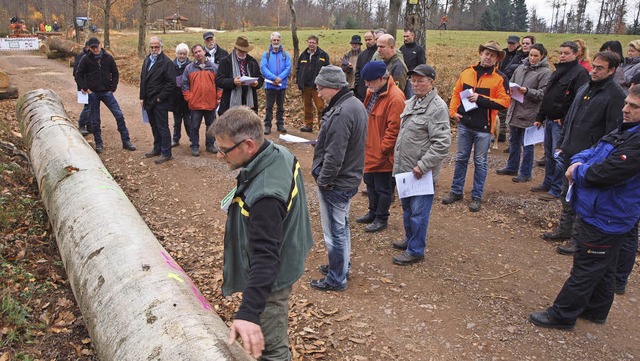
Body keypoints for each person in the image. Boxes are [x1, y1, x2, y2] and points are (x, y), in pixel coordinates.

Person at [529, 84, 640, 331]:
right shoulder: (625, 130)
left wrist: (578, 170)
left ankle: (562, 314)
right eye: (626, 104)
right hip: (602, 211)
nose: (625, 109)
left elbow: (607, 172)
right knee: (605, 263)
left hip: (608, 214)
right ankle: (597, 309)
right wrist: (578, 160)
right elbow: (594, 149)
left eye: (633, 106)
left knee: (587, 264)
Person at [210, 106, 313, 360]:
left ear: (248, 145)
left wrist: (248, 313)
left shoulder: (266, 195)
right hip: (286, 254)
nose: (219, 156)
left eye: (224, 150)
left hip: (272, 279)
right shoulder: (279, 153)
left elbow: (266, 256)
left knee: (271, 348)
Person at [551, 51, 627, 255]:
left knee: (583, 199)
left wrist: (598, 157)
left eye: (600, 68)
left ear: (612, 70)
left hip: (591, 158)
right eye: (593, 66)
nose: (594, 70)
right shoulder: (585, 88)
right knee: (566, 193)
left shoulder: (616, 95)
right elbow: (571, 119)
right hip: (571, 151)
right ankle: (564, 230)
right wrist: (562, 143)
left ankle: (578, 240)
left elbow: (614, 131)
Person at [309, 66, 367, 292]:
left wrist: (324, 180)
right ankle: (341, 266)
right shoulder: (354, 104)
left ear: (333, 87)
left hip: (337, 183)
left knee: (334, 232)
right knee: (341, 227)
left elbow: (336, 155)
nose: (319, 92)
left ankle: (336, 278)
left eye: (320, 88)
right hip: (348, 178)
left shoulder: (342, 112)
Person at [391, 64, 451, 265]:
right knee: (408, 209)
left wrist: (423, 165)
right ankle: (410, 240)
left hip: (420, 173)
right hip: (406, 170)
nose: (415, 84)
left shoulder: (437, 108)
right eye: (413, 80)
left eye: (420, 80)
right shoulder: (412, 102)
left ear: (431, 83)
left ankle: (416, 250)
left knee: (419, 213)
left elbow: (442, 143)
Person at [442, 41, 511, 212]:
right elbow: (456, 93)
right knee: (461, 159)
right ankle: (456, 191)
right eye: (486, 53)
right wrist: (453, 112)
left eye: (492, 55)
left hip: (484, 128)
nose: (488, 57)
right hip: (465, 124)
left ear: (497, 59)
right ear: (481, 54)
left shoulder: (500, 78)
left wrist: (480, 99)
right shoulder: (467, 73)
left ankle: (477, 196)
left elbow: (505, 103)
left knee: (480, 162)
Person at [531, 41, 590, 204]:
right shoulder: (557, 72)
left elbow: (579, 102)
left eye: (566, 53)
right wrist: (539, 117)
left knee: (558, 157)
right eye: (561, 52)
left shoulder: (580, 74)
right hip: (549, 120)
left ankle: (556, 189)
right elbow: (547, 96)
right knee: (549, 155)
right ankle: (547, 183)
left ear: (576, 54)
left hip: (561, 124)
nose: (562, 56)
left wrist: (564, 118)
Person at [355, 61, 404, 233]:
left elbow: (394, 129)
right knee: (370, 183)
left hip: (383, 153)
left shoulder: (396, 98)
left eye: (370, 81)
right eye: (366, 81)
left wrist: (383, 150)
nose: (367, 85)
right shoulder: (372, 91)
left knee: (383, 187)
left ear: (382, 78)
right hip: (369, 148)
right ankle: (372, 212)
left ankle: (382, 217)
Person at [496, 43, 551, 183]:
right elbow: (511, 83)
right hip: (515, 109)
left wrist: (527, 91)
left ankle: (526, 173)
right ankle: (512, 167)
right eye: (531, 55)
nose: (532, 58)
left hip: (530, 112)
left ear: (542, 56)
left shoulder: (545, 73)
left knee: (527, 144)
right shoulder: (520, 68)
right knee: (514, 141)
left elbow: (543, 94)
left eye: (536, 56)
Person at [75, 37, 137, 154]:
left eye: (96, 47)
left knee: (118, 115)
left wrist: (112, 88)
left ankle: (126, 141)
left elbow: (115, 73)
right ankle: (99, 143)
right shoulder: (85, 59)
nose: (95, 49)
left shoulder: (108, 58)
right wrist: (85, 88)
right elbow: (78, 75)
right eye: (92, 47)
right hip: (93, 93)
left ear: (100, 45)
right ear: (89, 48)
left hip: (106, 92)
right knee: (95, 120)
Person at [140, 36, 176, 164]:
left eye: (157, 47)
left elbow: (171, 83)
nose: (154, 49)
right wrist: (142, 97)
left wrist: (161, 97)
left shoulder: (166, 62)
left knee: (162, 127)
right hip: (148, 100)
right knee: (154, 125)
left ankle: (166, 152)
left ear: (161, 47)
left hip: (160, 101)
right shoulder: (147, 60)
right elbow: (143, 79)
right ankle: (157, 148)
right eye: (152, 47)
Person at [182, 44, 218, 157]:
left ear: (204, 51)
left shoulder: (213, 67)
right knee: (194, 126)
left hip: (210, 103)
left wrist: (219, 97)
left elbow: (220, 84)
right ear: (193, 55)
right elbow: (184, 84)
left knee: (211, 125)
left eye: (199, 51)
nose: (198, 54)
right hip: (195, 103)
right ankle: (194, 146)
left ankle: (210, 145)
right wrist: (188, 97)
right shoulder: (189, 68)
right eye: (195, 52)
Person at [216, 36, 264, 116]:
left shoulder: (252, 61)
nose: (244, 53)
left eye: (246, 51)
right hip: (230, 103)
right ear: (235, 48)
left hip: (249, 103)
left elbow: (260, 77)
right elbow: (218, 80)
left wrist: (256, 83)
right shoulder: (226, 61)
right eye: (241, 51)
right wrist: (233, 81)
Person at [296, 35, 330, 132]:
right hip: (305, 86)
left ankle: (322, 127)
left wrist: (324, 84)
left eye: (313, 43)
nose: (311, 44)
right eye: (309, 42)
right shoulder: (303, 55)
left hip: (318, 86)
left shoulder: (323, 55)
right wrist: (299, 81)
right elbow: (298, 69)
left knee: (320, 107)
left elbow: (327, 70)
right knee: (307, 106)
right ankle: (308, 125)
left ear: (317, 44)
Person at [260, 32, 292, 135]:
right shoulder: (266, 55)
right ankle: (267, 125)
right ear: (271, 41)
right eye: (274, 40)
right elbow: (263, 68)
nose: (276, 42)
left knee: (280, 107)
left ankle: (280, 124)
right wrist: (274, 78)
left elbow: (288, 68)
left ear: (280, 41)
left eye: (277, 40)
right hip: (270, 85)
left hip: (282, 85)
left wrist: (280, 78)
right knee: (269, 107)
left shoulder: (285, 55)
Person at [171, 43, 191, 148]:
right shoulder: (171, 65)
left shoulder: (191, 65)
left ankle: (192, 139)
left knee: (188, 121)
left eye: (184, 54)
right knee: (177, 121)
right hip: (176, 98)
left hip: (187, 98)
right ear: (177, 54)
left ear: (187, 54)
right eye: (180, 54)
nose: (182, 56)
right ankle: (175, 139)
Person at [73, 40, 91, 136]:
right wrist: (83, 86)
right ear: (87, 47)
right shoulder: (81, 57)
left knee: (91, 106)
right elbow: (76, 74)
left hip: (92, 87)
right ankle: (82, 124)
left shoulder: (93, 57)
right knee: (87, 106)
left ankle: (90, 125)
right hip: (83, 86)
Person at [354, 31, 378, 101]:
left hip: (374, 91)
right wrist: (357, 87)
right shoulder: (361, 55)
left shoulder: (379, 54)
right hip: (361, 92)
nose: (367, 42)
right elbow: (357, 72)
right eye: (366, 40)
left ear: (375, 39)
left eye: (370, 39)